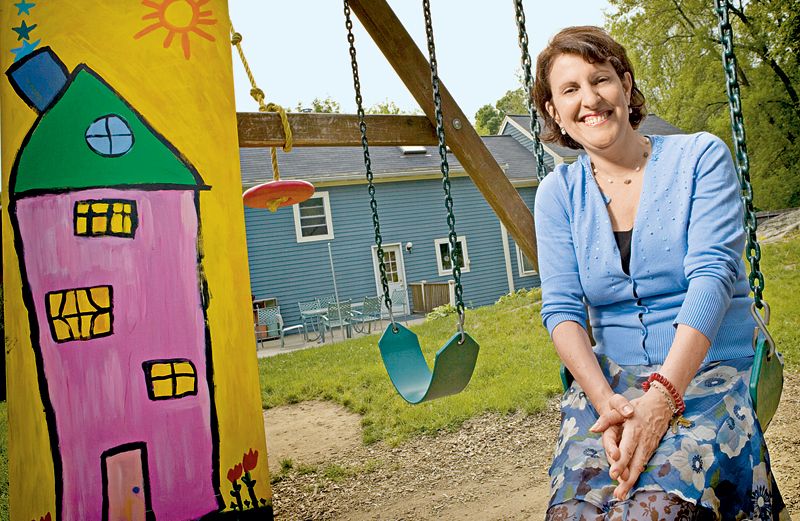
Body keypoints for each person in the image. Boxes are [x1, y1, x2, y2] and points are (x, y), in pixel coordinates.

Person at [532, 26, 787, 519]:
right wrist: (607, 404)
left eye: (600, 80)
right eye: (570, 90)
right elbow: (561, 309)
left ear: (625, 87)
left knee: (654, 508)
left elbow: (712, 277)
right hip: (613, 385)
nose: (590, 100)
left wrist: (663, 397)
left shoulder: (700, 159)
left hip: (708, 373)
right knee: (577, 511)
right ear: (552, 111)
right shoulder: (556, 195)